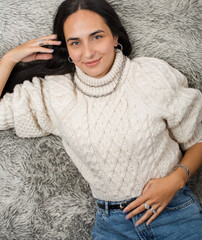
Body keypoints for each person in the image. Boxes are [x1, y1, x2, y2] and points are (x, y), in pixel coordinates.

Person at [0, 0, 202, 239]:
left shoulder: (152, 75)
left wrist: (176, 180)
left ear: (115, 37)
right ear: (67, 48)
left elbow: (197, 139)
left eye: (97, 37)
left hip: (175, 213)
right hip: (113, 226)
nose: (88, 53)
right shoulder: (57, 93)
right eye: (75, 42)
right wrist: (10, 59)